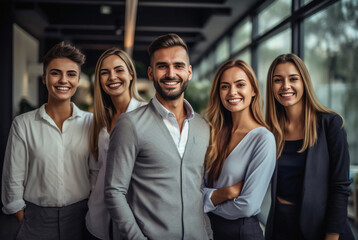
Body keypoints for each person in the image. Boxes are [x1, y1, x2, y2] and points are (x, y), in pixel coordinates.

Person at [104, 33, 210, 239]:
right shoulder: (130, 124)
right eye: (163, 66)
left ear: (189, 72)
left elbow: (200, 189)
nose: (171, 73)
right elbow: (114, 192)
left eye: (178, 66)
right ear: (151, 73)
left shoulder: (203, 126)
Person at [1, 41, 96, 240]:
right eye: (55, 73)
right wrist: (24, 217)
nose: (63, 80)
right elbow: (13, 179)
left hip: (82, 218)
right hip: (36, 220)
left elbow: (96, 174)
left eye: (71, 74)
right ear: (44, 78)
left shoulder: (91, 123)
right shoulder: (23, 124)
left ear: (78, 80)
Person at [265, 53, 355, 240]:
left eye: (293, 79)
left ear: (304, 82)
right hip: (281, 227)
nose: (286, 86)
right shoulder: (269, 132)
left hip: (323, 229)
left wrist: (331, 237)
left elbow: (340, 187)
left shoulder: (331, 125)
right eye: (278, 80)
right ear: (271, 86)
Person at [202, 59, 276, 240]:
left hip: (241, 232)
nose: (232, 92)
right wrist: (225, 193)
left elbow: (247, 205)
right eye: (225, 86)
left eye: (240, 84)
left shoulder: (263, 139)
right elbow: (191, 186)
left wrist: (205, 203)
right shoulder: (211, 132)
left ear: (253, 91)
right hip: (206, 230)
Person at [85, 48, 146, 240]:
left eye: (119, 70)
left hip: (136, 223)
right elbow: (96, 170)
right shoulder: (100, 121)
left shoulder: (148, 115)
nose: (112, 77)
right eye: (105, 72)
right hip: (97, 222)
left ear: (130, 74)